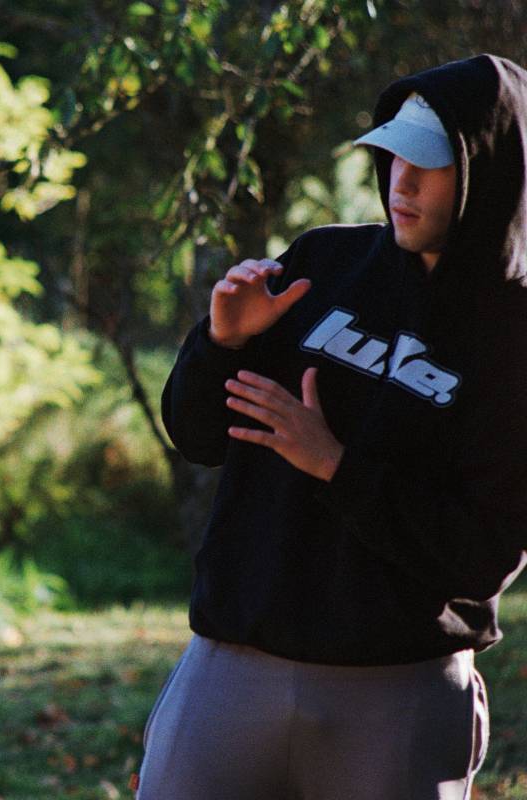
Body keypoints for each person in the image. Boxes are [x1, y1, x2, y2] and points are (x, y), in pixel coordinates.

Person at [138, 54, 527, 799]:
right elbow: (198, 437)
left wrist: (335, 466)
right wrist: (220, 344)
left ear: (483, 172)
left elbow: (484, 555)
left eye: (428, 165)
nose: (400, 182)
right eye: (394, 157)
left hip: (398, 691)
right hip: (231, 667)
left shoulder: (513, 331)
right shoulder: (324, 262)